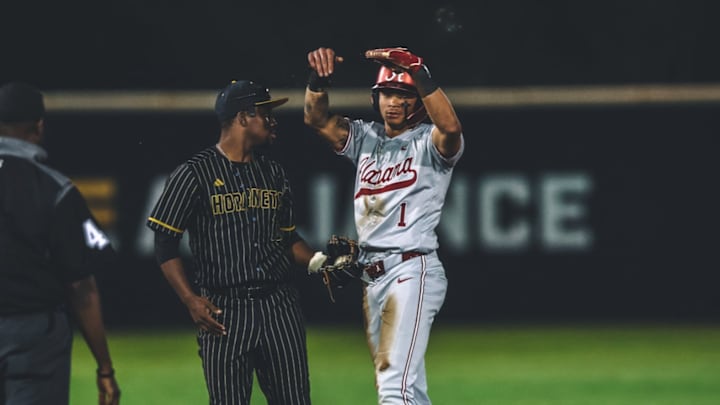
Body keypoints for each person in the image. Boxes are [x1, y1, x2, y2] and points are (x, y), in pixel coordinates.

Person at [304, 47, 465, 404]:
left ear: (419, 101)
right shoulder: (365, 138)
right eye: (387, 94)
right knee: (400, 385)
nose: (393, 102)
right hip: (371, 275)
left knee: (395, 386)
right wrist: (318, 82)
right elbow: (316, 119)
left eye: (403, 95)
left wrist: (419, 74)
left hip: (411, 268)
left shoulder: (430, 142)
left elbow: (451, 128)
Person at [146, 80, 317, 405]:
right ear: (243, 117)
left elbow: (288, 238)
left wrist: (318, 261)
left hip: (279, 306)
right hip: (224, 310)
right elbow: (165, 243)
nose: (272, 121)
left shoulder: (275, 173)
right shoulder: (193, 174)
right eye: (265, 114)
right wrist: (189, 299)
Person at [0, 81, 121, 405]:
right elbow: (81, 287)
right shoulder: (55, 190)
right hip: (32, 336)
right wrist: (105, 368)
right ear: (38, 126)